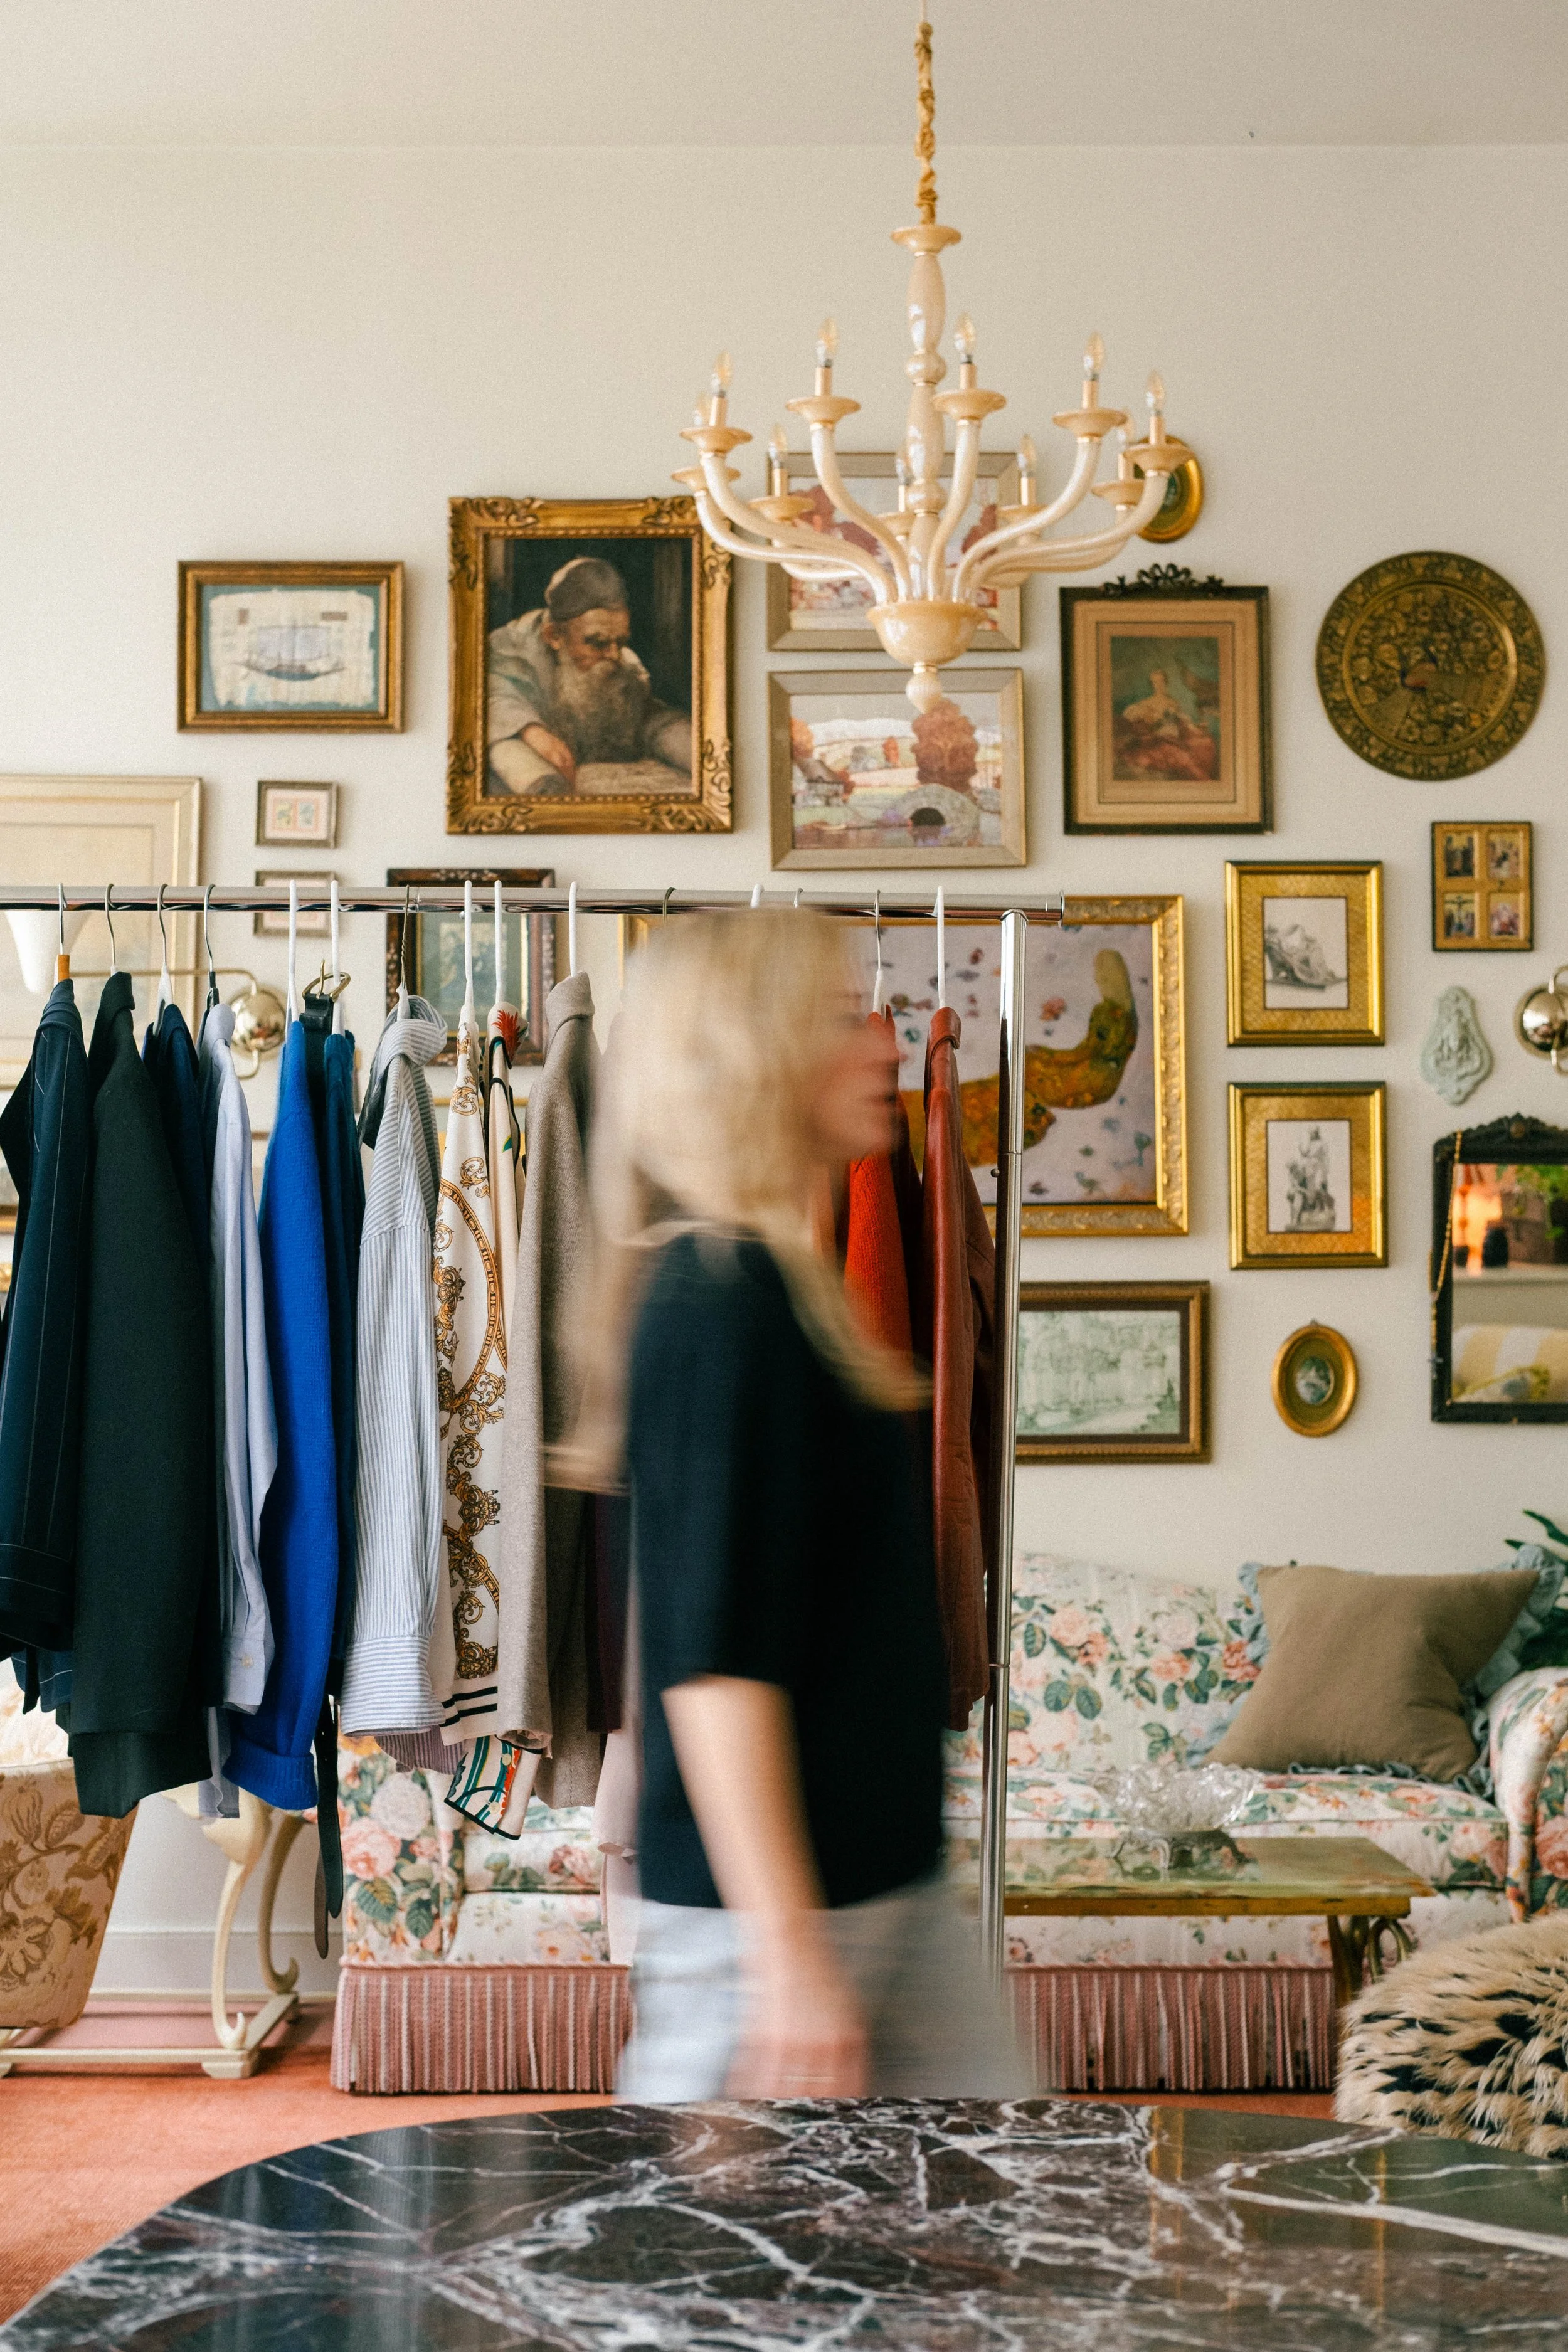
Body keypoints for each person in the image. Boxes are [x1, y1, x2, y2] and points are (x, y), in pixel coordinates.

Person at [573, 910, 1025, 2102]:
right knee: (720, 2280)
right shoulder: (721, 1302)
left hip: (878, 1895)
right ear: (751, 1056)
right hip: (769, 1933)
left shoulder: (786, 1289)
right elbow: (715, 1668)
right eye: (839, 1023)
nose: (885, 1046)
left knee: (965, 2247)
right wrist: (792, 1961)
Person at [486, 555, 693, 795]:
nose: (615, 655)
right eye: (598, 643)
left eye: (621, 642)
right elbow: (490, 698)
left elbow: (647, 718)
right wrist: (532, 732)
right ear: (554, 636)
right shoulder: (512, 649)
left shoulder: (621, 666)